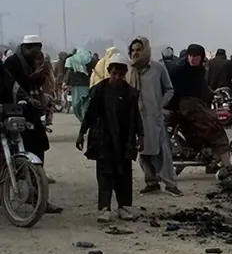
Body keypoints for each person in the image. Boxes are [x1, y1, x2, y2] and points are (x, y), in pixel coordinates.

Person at [76, 53, 144, 222]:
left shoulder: (130, 93)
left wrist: (140, 136)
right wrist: (81, 133)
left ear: (125, 73)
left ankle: (124, 207)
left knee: (124, 174)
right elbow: (90, 115)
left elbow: (135, 117)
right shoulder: (99, 90)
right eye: (114, 73)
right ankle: (105, 208)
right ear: (109, 71)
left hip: (123, 139)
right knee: (104, 174)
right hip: (103, 138)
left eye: (120, 74)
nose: (117, 77)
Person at [4, 35, 63, 201]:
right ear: (24, 48)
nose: (35, 54)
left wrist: (38, 77)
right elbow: (13, 86)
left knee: (38, 146)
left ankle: (37, 191)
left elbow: (26, 86)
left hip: (29, 111)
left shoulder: (34, 61)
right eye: (32, 51)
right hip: (13, 112)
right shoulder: (12, 63)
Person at [127, 37, 182, 197]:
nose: (136, 53)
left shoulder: (157, 68)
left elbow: (169, 89)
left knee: (162, 152)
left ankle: (171, 185)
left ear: (146, 50)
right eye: (133, 50)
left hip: (154, 117)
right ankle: (151, 183)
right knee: (143, 152)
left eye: (139, 49)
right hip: (137, 117)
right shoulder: (130, 71)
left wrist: (160, 105)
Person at [169, 44, 232, 168]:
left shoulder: (200, 71)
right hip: (188, 107)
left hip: (197, 105)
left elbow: (202, 88)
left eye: (196, 56)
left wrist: (214, 93)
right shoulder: (180, 71)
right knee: (216, 130)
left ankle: (213, 161)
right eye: (190, 55)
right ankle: (227, 167)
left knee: (213, 125)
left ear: (201, 57)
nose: (192, 59)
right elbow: (174, 91)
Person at [65, 48, 93, 122]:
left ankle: (83, 120)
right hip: (87, 86)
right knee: (85, 105)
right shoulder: (90, 61)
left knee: (76, 105)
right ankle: (84, 120)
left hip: (76, 86)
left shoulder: (72, 61)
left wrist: (67, 83)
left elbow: (69, 73)